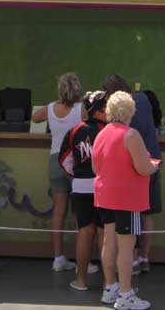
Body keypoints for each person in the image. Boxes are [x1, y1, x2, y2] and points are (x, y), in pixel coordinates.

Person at [93, 91, 158, 310]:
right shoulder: (131, 135)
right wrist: (154, 166)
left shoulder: (101, 134)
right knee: (127, 246)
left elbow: (95, 167)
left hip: (105, 196)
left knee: (108, 242)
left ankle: (110, 288)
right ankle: (125, 294)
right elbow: (143, 167)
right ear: (130, 110)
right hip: (128, 198)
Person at [103, 74, 160, 274]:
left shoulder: (123, 110)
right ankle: (145, 257)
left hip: (135, 165)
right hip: (153, 159)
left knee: (133, 214)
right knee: (149, 211)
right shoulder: (143, 98)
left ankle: (134, 261)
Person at [32, 72, 85, 271]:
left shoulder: (51, 108)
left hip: (55, 160)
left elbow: (35, 118)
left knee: (58, 211)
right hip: (76, 161)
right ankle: (84, 260)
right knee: (83, 213)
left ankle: (58, 257)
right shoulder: (82, 109)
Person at [60, 90, 108, 291]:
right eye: (106, 107)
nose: (109, 111)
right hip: (105, 186)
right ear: (98, 111)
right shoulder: (112, 131)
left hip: (80, 185)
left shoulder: (75, 130)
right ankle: (109, 284)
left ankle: (81, 281)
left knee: (84, 231)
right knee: (105, 233)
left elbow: (64, 161)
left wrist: (79, 175)